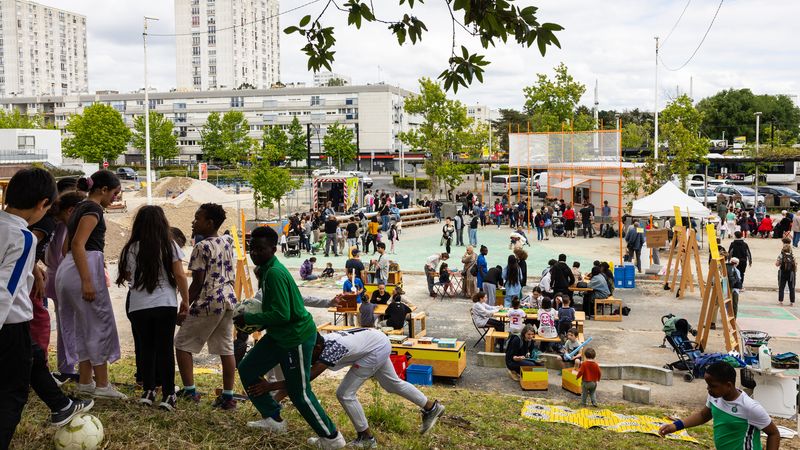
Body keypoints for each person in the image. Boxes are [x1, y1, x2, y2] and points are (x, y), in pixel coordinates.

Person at [1, 169, 95, 449]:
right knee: (11, 395)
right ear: (43, 204)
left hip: (14, 327)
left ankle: (61, 405)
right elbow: (6, 288)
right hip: (9, 325)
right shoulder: (23, 236)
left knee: (35, 357)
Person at [235, 227, 345, 448]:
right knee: (247, 368)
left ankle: (332, 438)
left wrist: (248, 317)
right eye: (251, 248)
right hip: (278, 335)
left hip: (295, 337)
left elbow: (282, 314)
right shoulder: (265, 269)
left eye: (260, 249)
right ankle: (273, 418)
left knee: (298, 392)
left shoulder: (274, 272)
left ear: (273, 249)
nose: (254, 253)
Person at [248, 329, 445, 447]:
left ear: (317, 348)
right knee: (391, 384)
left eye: (311, 354)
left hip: (374, 348)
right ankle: (431, 407)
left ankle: (366, 437)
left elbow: (304, 380)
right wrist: (276, 398)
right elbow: (300, 380)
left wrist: (270, 387)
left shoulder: (329, 349)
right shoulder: (320, 342)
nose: (309, 357)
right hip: (375, 339)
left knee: (345, 394)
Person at [54, 170, 126, 400]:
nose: (115, 198)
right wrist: (87, 280)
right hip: (84, 266)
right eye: (114, 193)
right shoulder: (93, 209)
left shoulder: (80, 207)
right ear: (103, 190)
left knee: (82, 327)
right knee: (98, 325)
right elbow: (77, 244)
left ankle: (86, 381)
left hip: (68, 268)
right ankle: (103, 385)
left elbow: (66, 246)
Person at [117, 206, 189, 410]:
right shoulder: (169, 245)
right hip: (165, 303)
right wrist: (185, 299)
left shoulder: (130, 248)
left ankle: (148, 391)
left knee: (146, 348)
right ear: (162, 223)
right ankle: (168, 395)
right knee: (165, 349)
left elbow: (129, 276)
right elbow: (180, 275)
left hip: (138, 305)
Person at [174, 203, 238, 409]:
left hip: (209, 299)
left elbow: (198, 282)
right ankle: (228, 396)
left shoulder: (201, 247)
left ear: (210, 223)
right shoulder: (228, 241)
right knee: (226, 347)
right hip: (229, 299)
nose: (194, 222)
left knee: (182, 344)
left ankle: (190, 392)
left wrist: (184, 306)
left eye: (197, 218)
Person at [658, 361, 780, 450]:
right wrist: (675, 426)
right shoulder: (715, 396)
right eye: (707, 385)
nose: (708, 389)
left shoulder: (750, 408)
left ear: (728, 385)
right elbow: (703, 415)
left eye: (713, 386)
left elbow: (774, 433)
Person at [44, 190, 85, 383]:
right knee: (70, 326)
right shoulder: (67, 228)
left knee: (64, 325)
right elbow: (65, 252)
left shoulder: (55, 225)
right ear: (71, 211)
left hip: (53, 277)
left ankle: (66, 365)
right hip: (63, 278)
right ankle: (69, 366)